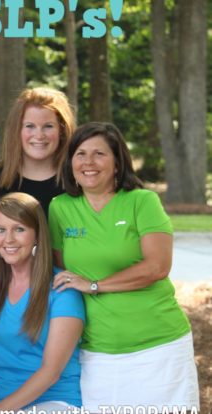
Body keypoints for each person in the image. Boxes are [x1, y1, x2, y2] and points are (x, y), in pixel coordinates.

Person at [49, 122, 199, 411]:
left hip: (159, 346)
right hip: (97, 352)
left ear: (117, 162)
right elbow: (63, 272)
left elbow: (157, 266)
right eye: (81, 154)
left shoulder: (142, 201)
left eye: (99, 154)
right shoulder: (60, 207)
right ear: (70, 162)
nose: (89, 162)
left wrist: (95, 285)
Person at [0, 193, 84, 413]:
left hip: (54, 400)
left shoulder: (62, 290)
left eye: (19, 229)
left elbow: (51, 372)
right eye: (1, 230)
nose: (8, 239)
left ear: (37, 235)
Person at [0, 87, 75, 275]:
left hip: (69, 287)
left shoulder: (77, 180)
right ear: (17, 130)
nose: (39, 135)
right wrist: (2, 291)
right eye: (30, 126)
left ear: (62, 130)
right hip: (9, 289)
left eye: (48, 126)